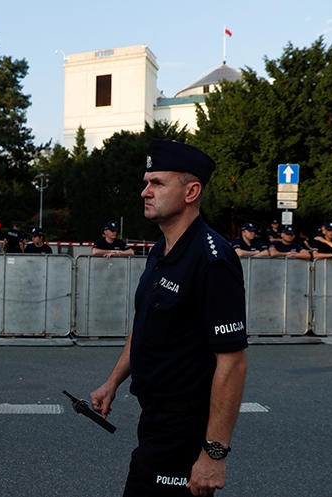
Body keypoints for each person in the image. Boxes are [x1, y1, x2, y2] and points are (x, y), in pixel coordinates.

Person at [90, 140, 247, 497]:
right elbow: (146, 324)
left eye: (157, 183)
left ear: (191, 191)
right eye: (146, 182)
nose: (145, 191)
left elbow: (233, 363)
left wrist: (214, 454)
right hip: (154, 419)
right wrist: (113, 381)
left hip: (185, 427)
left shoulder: (213, 259)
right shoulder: (162, 249)